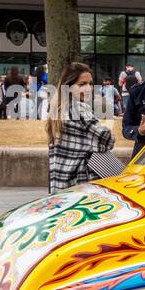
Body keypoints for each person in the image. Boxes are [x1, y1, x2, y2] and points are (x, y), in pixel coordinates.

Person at [46, 62, 115, 192]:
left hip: (62, 181)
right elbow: (106, 139)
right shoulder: (79, 108)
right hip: (80, 181)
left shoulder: (58, 109)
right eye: (82, 84)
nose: (88, 88)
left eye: (90, 84)